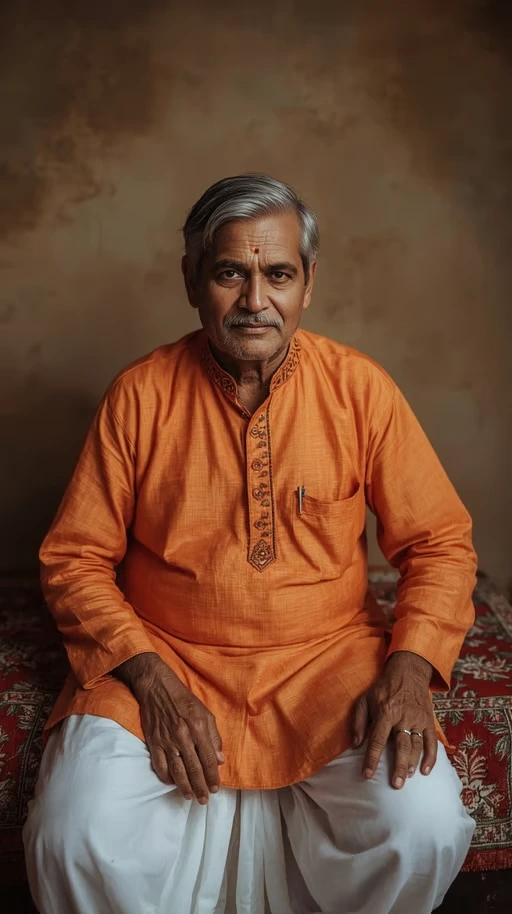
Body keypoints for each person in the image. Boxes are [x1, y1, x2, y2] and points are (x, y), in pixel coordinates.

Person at [23, 174, 477, 914]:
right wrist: (151, 680)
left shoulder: (360, 390)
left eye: (277, 274)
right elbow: (73, 559)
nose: (254, 300)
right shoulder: (140, 394)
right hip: (163, 658)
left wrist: (410, 666)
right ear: (192, 280)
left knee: (419, 826)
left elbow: (441, 543)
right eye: (230, 272)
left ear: (308, 284)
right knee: (74, 834)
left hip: (324, 663)